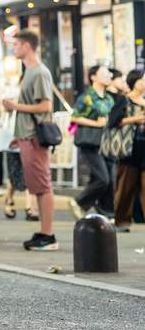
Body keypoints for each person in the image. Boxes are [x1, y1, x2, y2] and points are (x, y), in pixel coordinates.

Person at [2, 29, 58, 251]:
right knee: (37, 186)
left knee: (42, 185)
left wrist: (15, 106)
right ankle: (44, 232)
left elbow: (46, 105)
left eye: (16, 45)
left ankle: (48, 234)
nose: (14, 49)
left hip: (35, 137)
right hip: (27, 136)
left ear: (26, 46)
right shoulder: (30, 72)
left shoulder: (39, 72)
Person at [69, 65, 116, 219]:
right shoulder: (87, 97)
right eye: (104, 73)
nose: (108, 75)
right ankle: (79, 202)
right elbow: (74, 117)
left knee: (109, 179)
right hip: (90, 143)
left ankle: (106, 213)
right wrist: (96, 123)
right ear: (93, 77)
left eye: (109, 73)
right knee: (103, 178)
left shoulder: (109, 98)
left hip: (107, 143)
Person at [111, 69, 145, 231]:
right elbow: (114, 121)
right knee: (125, 187)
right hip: (129, 149)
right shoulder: (124, 100)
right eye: (142, 80)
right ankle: (122, 221)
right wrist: (136, 118)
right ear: (134, 82)